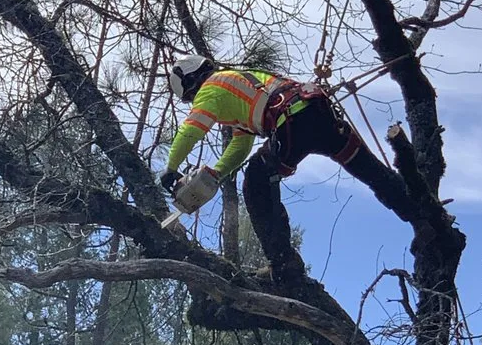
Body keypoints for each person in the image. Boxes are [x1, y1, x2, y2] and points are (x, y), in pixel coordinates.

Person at [160, 54, 390, 281]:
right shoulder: (238, 86)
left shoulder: (211, 87)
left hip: (292, 122)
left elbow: (191, 130)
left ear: (191, 83)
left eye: (191, 97)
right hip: (316, 113)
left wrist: (171, 169)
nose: (194, 101)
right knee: (371, 172)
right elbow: (241, 145)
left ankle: (283, 262)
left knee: (257, 180)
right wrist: (216, 173)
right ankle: (416, 208)